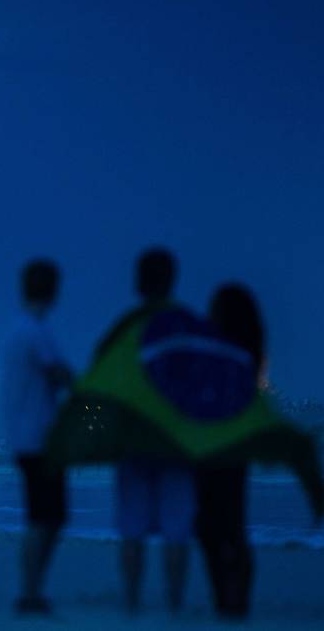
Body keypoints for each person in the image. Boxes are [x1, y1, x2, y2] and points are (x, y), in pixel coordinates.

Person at [107, 248, 194, 613]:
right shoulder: (187, 326)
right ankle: (174, 606)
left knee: (132, 531)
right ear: (173, 280)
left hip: (133, 445)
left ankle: (131, 604)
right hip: (175, 444)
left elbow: (104, 384)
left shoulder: (125, 328)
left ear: (137, 282)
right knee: (177, 534)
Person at [0, 258, 73, 614]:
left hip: (24, 439)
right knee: (48, 518)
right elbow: (60, 373)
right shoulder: (35, 332)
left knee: (44, 518)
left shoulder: (18, 331)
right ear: (54, 291)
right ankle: (29, 592)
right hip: (40, 440)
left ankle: (31, 590)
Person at [195, 283, 263, 618]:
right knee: (232, 523)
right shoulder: (249, 355)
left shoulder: (217, 352)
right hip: (237, 448)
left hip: (209, 448)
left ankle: (225, 596)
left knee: (209, 526)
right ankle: (235, 599)